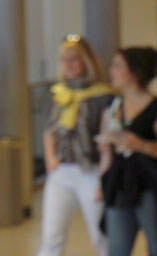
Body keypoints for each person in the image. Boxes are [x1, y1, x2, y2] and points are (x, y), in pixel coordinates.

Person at [99, 47, 157, 256]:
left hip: (150, 184)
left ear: (135, 72)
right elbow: (106, 150)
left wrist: (143, 145)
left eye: (118, 66)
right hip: (119, 183)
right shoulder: (113, 105)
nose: (112, 71)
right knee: (117, 247)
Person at [38, 36, 114, 256]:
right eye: (64, 60)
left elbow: (107, 138)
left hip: (91, 171)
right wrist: (51, 159)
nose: (68, 65)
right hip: (62, 172)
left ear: (87, 62)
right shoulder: (57, 94)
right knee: (51, 238)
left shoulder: (103, 96)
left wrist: (103, 176)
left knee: (101, 237)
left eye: (74, 60)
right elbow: (49, 129)